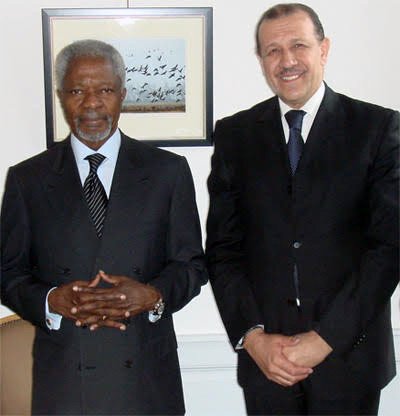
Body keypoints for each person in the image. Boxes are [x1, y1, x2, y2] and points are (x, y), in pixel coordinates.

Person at [206, 3, 399, 415]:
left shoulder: (377, 128)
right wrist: (253, 338)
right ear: (261, 60)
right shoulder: (235, 136)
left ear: (323, 49)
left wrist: (326, 338)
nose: (287, 61)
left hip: (350, 361)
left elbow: (389, 248)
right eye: (272, 50)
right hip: (267, 364)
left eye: (298, 45)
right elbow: (223, 250)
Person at [1, 39, 207, 415]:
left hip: (145, 381)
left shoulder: (168, 171)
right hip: (65, 384)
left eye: (105, 90)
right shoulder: (27, 179)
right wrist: (51, 300)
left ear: (122, 95)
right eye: (77, 91)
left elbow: (191, 266)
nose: (92, 103)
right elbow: (8, 274)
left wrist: (153, 296)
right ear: (62, 97)